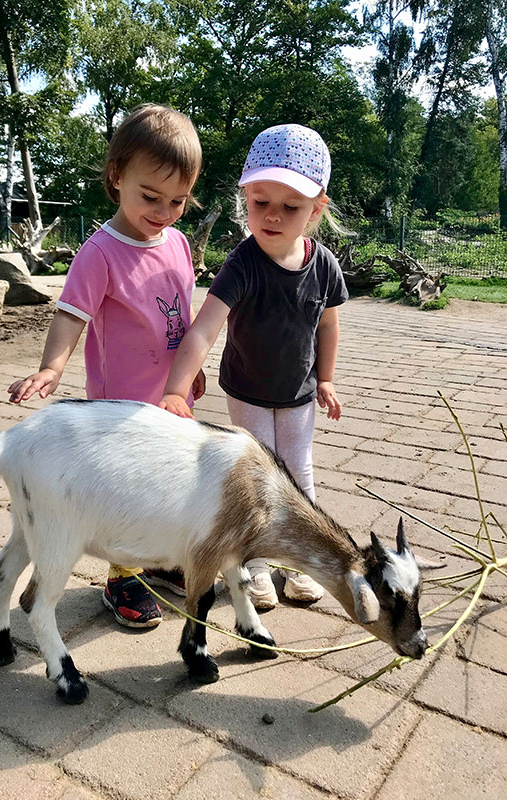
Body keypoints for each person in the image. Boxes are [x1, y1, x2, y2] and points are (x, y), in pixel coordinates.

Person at [7, 104, 204, 628]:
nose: (163, 211)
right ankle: (123, 576)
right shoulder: (100, 253)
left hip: (170, 399)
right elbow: (72, 315)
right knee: (125, 492)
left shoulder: (179, 243)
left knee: (171, 483)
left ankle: (161, 559)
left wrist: (187, 374)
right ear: (117, 177)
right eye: (150, 197)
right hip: (120, 408)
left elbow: (180, 314)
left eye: (178, 201)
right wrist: (51, 368)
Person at [160, 123, 349, 609]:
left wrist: (326, 378)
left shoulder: (323, 263)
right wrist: (176, 390)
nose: (272, 216)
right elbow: (203, 329)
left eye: (291, 207)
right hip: (247, 391)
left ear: (316, 209)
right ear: (246, 194)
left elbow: (327, 326)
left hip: (300, 394)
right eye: (260, 201)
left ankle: (300, 562)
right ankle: (252, 569)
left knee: (299, 477)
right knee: (257, 478)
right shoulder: (242, 264)